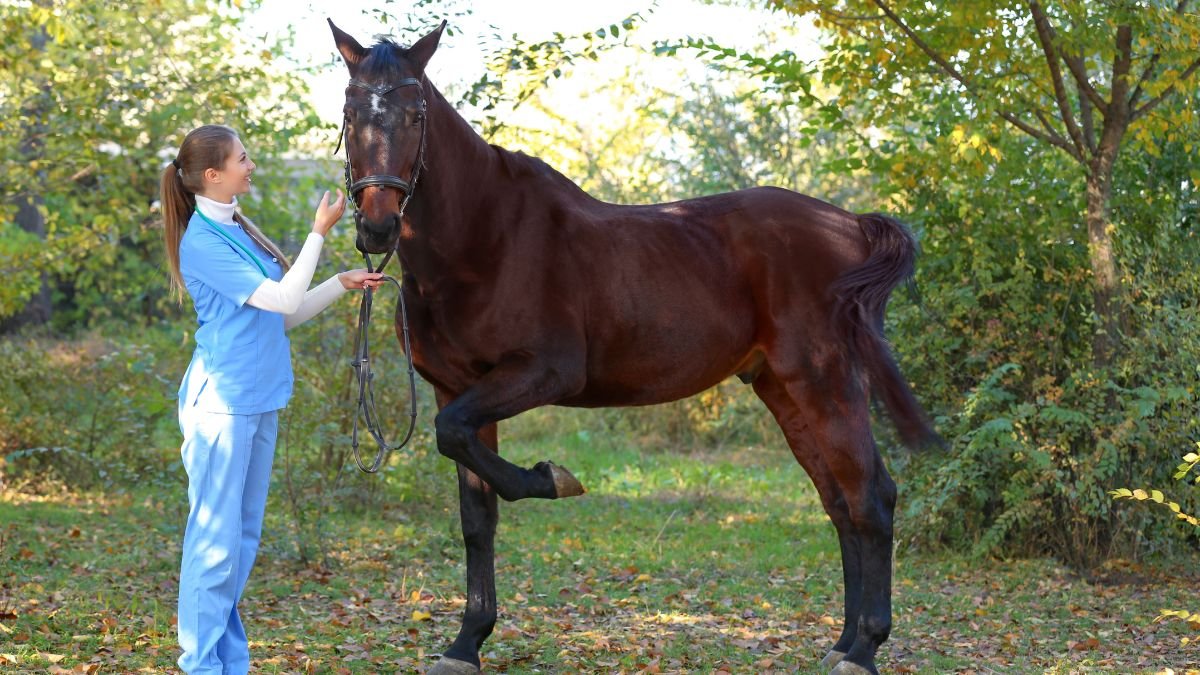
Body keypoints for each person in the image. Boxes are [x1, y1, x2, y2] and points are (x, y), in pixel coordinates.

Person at [159, 124, 383, 674]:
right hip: (222, 405)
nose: (250, 164)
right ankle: (201, 665)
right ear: (213, 175)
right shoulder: (203, 242)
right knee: (213, 544)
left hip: (259, 399)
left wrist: (338, 282)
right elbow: (284, 293)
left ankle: (226, 661)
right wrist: (318, 234)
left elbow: (285, 314)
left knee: (241, 541)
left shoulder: (237, 227)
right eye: (242, 158)